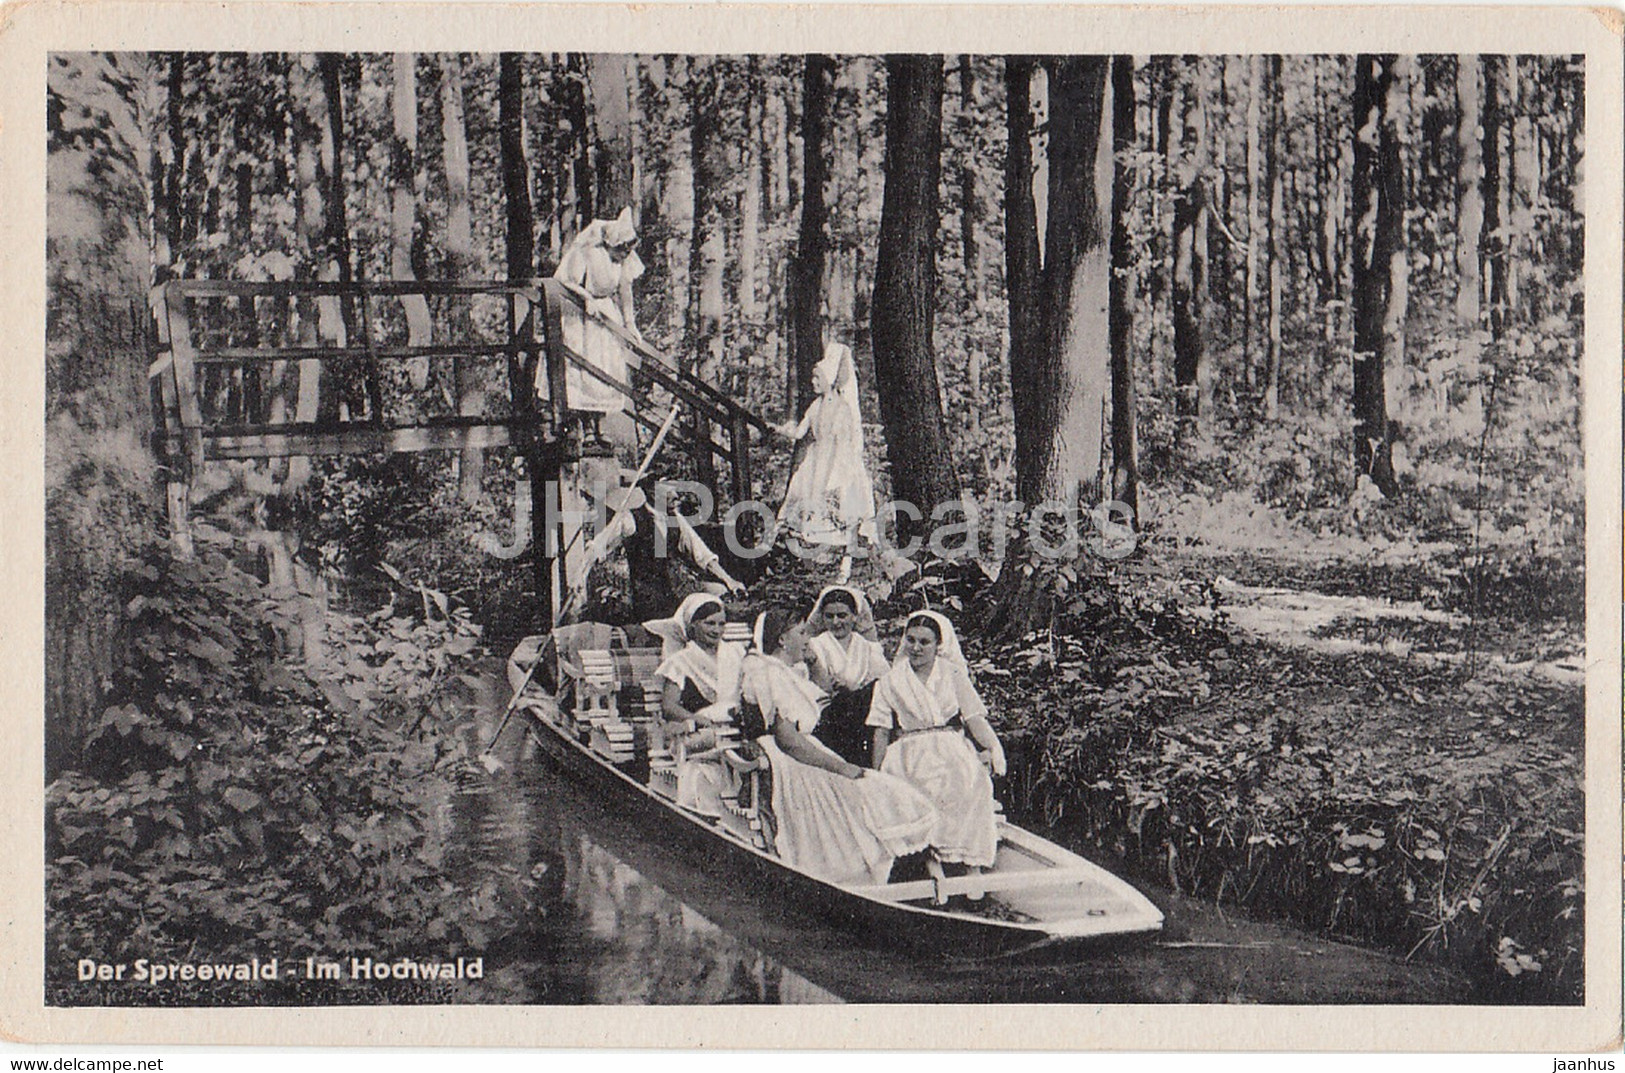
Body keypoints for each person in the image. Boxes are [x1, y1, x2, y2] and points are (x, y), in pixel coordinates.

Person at [742, 608, 936, 886]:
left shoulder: (788, 670)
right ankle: (868, 870)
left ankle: (901, 861)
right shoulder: (766, 673)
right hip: (792, 759)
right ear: (782, 640)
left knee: (872, 786)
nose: (808, 638)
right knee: (862, 789)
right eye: (801, 633)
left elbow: (820, 699)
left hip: (809, 746)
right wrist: (840, 767)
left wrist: (812, 662)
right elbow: (788, 740)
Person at [867, 611, 1007, 875]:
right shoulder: (889, 681)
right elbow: (881, 731)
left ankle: (971, 863)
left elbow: (974, 717)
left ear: (937, 645)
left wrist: (993, 746)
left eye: (924, 642)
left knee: (970, 780)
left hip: (949, 745)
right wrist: (876, 775)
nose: (916, 648)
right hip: (909, 749)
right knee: (919, 785)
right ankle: (932, 859)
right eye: (911, 640)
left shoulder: (952, 673)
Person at [775, 342, 876, 580]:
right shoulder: (815, 405)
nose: (813, 382)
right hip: (816, 461)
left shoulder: (842, 408)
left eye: (817, 378)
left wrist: (837, 473)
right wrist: (780, 430)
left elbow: (845, 443)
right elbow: (801, 433)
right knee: (805, 510)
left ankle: (844, 567)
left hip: (837, 463)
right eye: (813, 377)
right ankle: (809, 566)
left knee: (842, 511)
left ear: (829, 379)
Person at [551, 207, 645, 448]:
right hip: (581, 315)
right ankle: (581, 427)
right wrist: (585, 298)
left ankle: (600, 426)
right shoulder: (588, 250)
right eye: (620, 249)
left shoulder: (624, 257)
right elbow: (565, 280)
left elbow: (625, 289)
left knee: (606, 369)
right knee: (581, 369)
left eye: (627, 250)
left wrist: (630, 323)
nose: (623, 254)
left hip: (605, 315)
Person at [654, 594, 745, 817]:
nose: (716, 630)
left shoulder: (736, 653)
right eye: (709, 623)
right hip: (697, 733)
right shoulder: (682, 661)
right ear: (693, 625)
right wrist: (697, 719)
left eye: (721, 624)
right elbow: (669, 706)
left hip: (735, 725)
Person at [803, 586, 888, 767]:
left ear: (854, 616)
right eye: (829, 616)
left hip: (862, 710)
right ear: (822, 617)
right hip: (829, 711)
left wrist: (852, 688)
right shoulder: (815, 644)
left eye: (842, 615)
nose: (836, 622)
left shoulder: (866, 646)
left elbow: (883, 680)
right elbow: (819, 686)